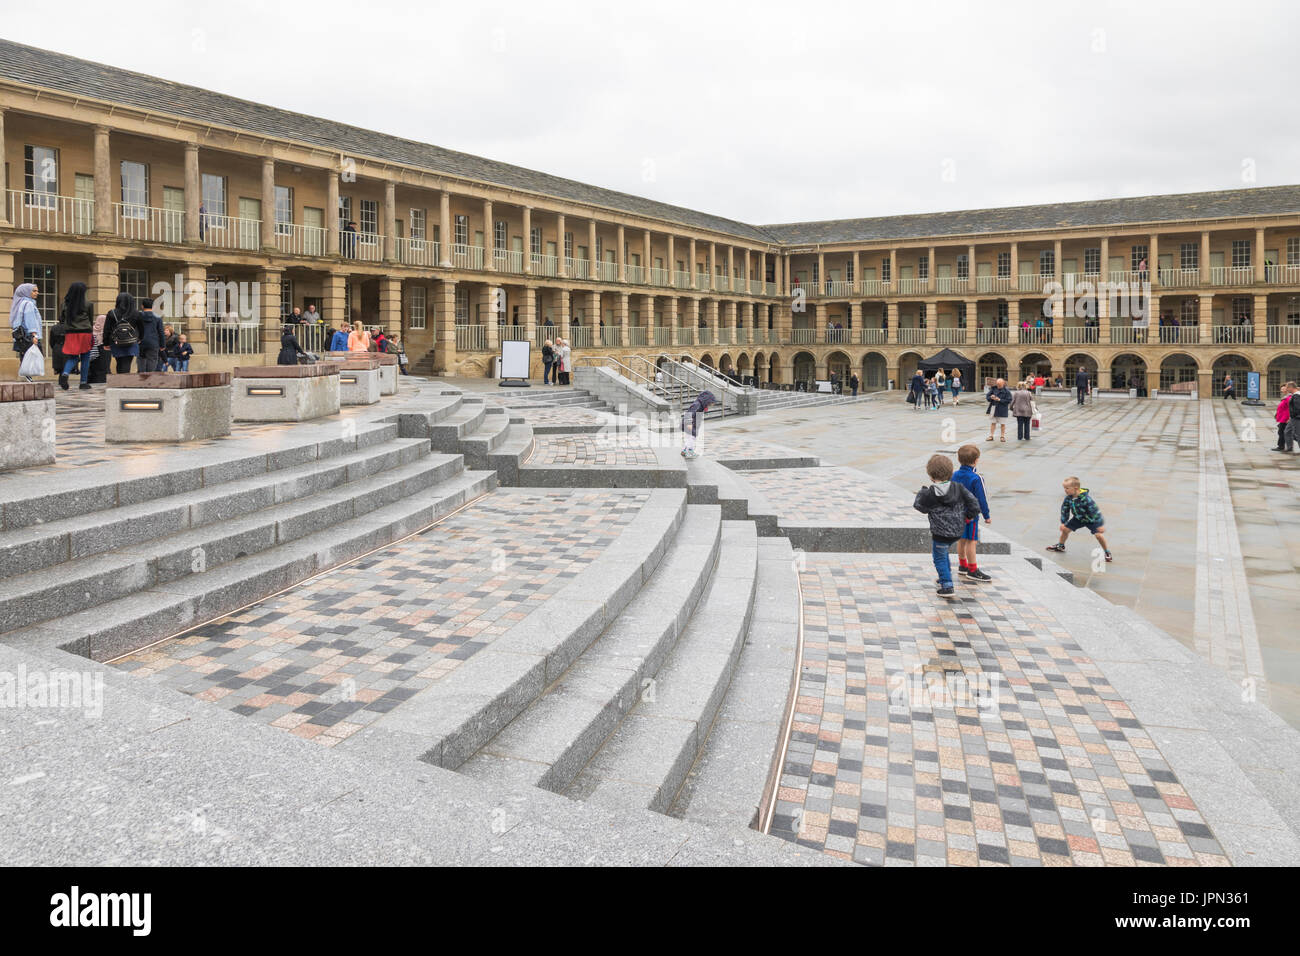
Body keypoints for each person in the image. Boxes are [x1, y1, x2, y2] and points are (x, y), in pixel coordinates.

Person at [913, 453, 981, 598]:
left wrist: (922, 492)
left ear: (931, 476)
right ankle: (945, 575)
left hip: (940, 533)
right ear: (951, 473)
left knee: (940, 557)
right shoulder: (959, 487)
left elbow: (919, 506)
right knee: (944, 554)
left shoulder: (930, 493)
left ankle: (947, 585)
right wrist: (967, 517)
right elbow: (975, 504)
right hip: (958, 530)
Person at [1046, 477, 1112, 562]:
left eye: (1067, 488)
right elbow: (1065, 510)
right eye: (1064, 488)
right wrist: (1064, 522)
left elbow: (1095, 511)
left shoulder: (1086, 499)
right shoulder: (1068, 498)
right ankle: (1060, 546)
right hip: (1078, 519)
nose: (1065, 490)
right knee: (1065, 530)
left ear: (1075, 488)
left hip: (1091, 520)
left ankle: (1107, 552)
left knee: (1098, 535)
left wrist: (1099, 525)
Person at [952, 444, 992, 582]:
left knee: (961, 540)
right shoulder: (976, 478)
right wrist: (986, 515)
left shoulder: (954, 475)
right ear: (976, 460)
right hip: (971, 515)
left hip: (957, 514)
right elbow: (982, 499)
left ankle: (962, 566)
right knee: (971, 541)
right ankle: (972, 569)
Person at [57, 282, 95, 390]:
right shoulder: (88, 304)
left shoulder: (64, 304)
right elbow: (90, 320)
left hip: (71, 333)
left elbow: (62, 319)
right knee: (85, 358)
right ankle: (83, 382)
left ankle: (65, 373)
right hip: (85, 332)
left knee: (73, 357)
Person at [104, 293, 142, 374]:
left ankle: (120, 381)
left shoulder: (112, 313)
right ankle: (124, 382)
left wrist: (106, 342)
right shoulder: (136, 313)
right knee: (127, 362)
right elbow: (141, 328)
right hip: (131, 341)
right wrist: (140, 338)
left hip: (116, 341)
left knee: (119, 362)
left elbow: (106, 329)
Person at [10, 283, 42, 362]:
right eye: (34, 291)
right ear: (26, 292)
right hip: (29, 337)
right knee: (30, 363)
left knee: (24, 361)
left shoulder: (20, 303)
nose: (37, 293)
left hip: (23, 338)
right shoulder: (29, 304)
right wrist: (34, 335)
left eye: (37, 291)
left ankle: (25, 374)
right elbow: (30, 320)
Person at [681, 390, 717, 460]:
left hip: (694, 424)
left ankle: (687, 450)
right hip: (689, 424)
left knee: (692, 438)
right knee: (690, 438)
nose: (711, 405)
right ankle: (687, 451)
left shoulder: (701, 405)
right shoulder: (697, 404)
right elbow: (690, 413)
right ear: (707, 400)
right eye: (711, 403)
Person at [136, 298, 165, 372]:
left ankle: (141, 378)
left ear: (142, 306)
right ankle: (149, 379)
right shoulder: (158, 317)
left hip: (140, 342)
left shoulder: (138, 316)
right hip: (153, 342)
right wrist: (162, 345)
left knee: (140, 359)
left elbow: (135, 329)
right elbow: (161, 332)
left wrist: (137, 340)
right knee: (152, 360)